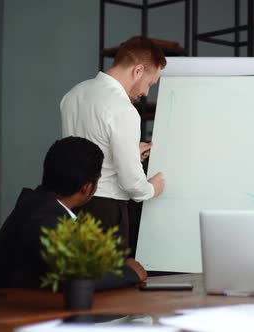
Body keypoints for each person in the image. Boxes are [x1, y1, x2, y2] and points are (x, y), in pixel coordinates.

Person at [0, 137, 147, 290]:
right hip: (18, 313)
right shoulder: (45, 220)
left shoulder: (36, 206)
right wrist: (128, 273)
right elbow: (78, 277)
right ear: (87, 188)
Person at [60, 36, 166, 254]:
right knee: (110, 284)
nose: (146, 92)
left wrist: (130, 151)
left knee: (80, 280)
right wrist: (152, 188)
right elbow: (131, 183)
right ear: (137, 71)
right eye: (149, 83)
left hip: (72, 206)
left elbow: (86, 149)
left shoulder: (73, 95)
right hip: (107, 212)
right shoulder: (123, 109)